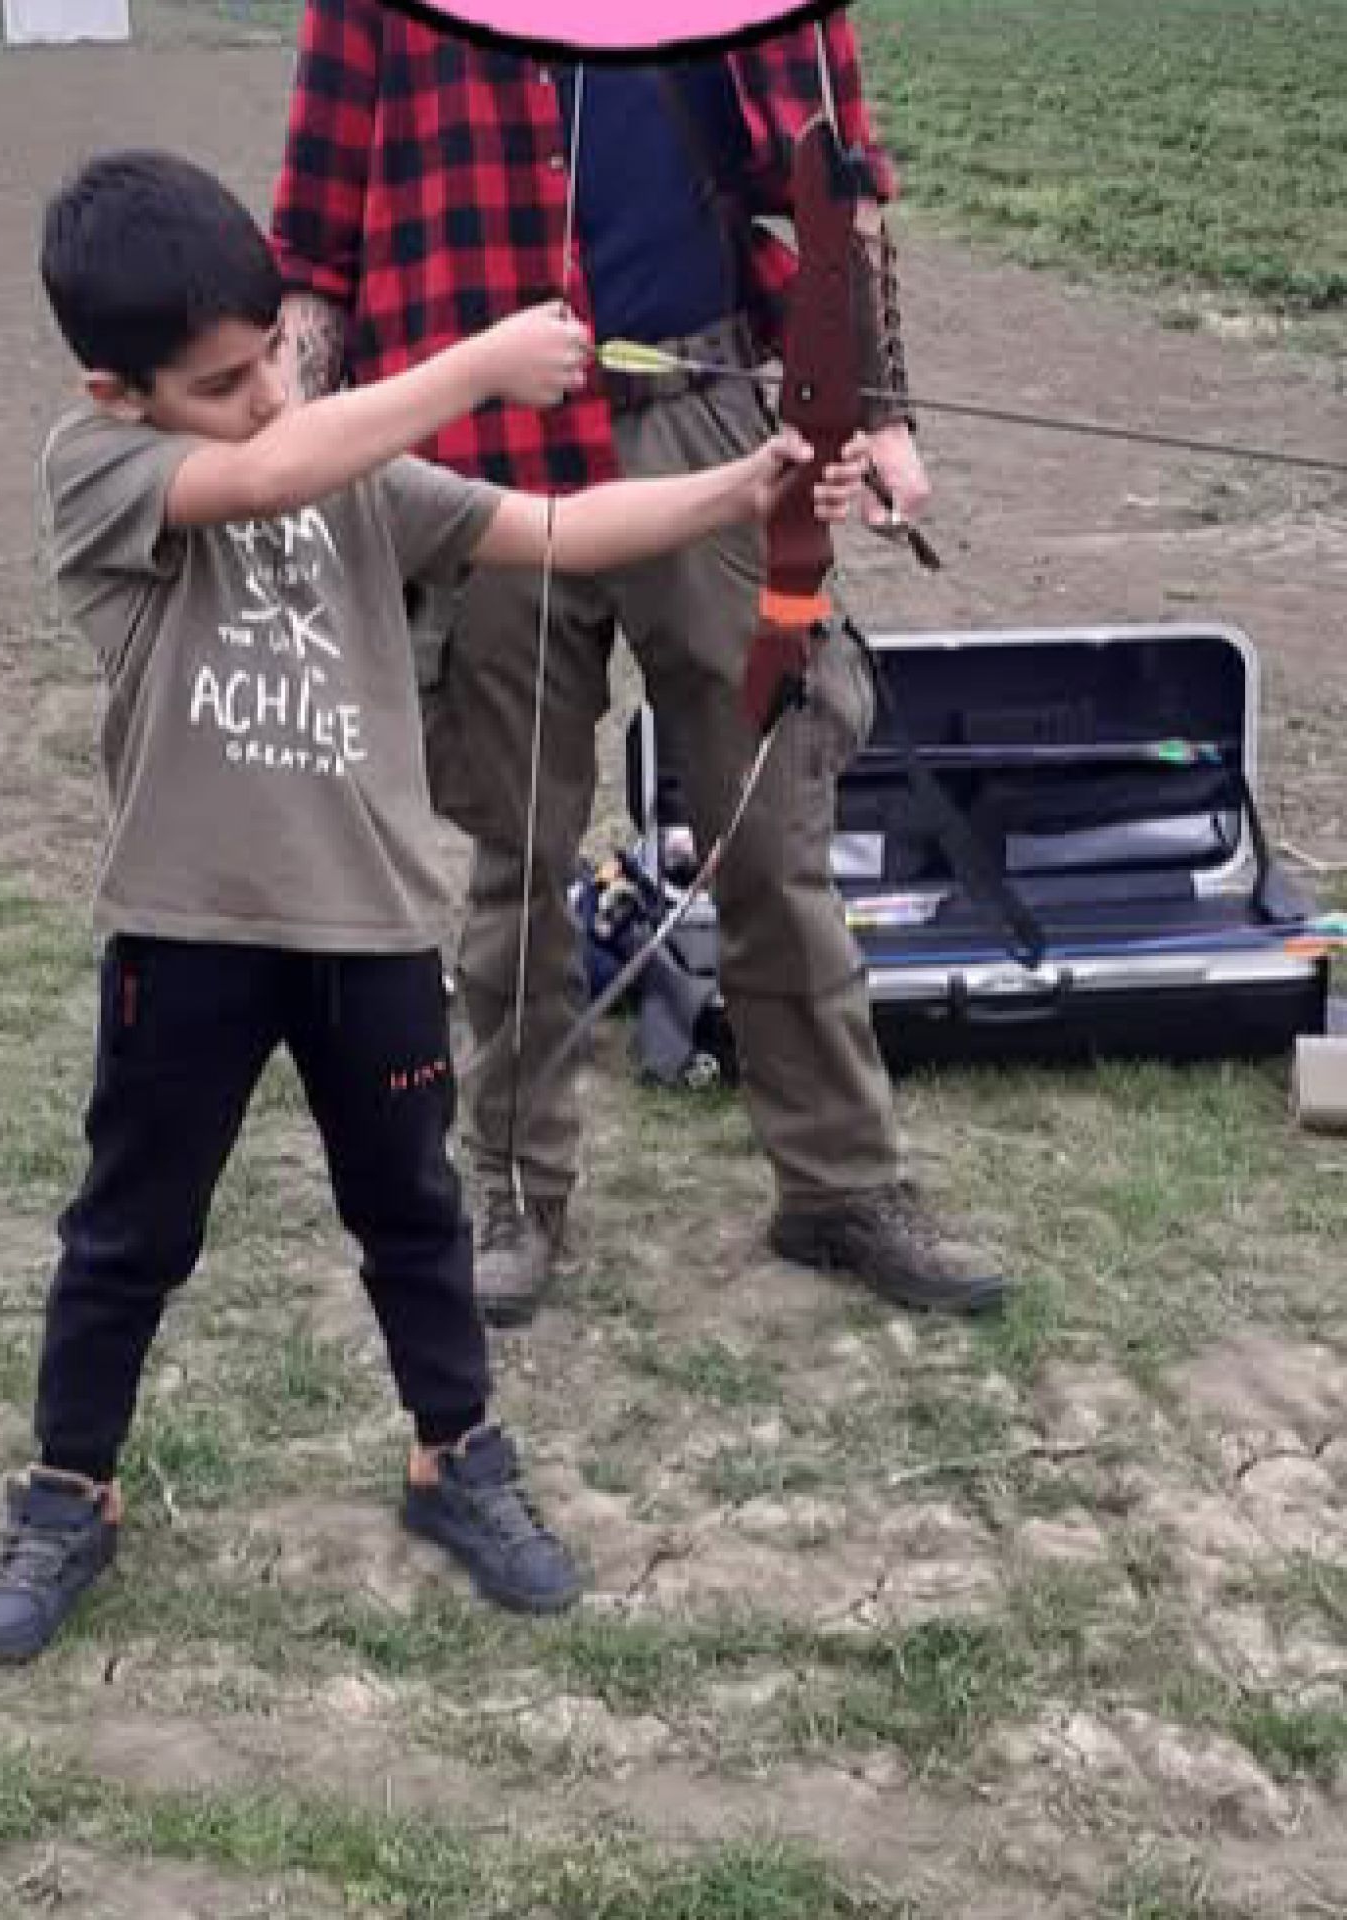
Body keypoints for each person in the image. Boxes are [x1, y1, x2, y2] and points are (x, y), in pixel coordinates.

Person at [0, 148, 872, 1664]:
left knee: (413, 1215)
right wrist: (480, 364)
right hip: (188, 934)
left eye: (275, 357)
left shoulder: (359, 477)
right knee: (130, 1227)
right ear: (117, 393)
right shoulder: (103, 468)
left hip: (373, 929)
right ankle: (69, 1489)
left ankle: (456, 1456)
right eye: (220, 383)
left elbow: (562, 533)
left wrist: (750, 480)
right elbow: (263, 477)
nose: (267, 398)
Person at [271, 0, 1013, 1326]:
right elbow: (317, 242)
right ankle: (513, 1191)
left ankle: (839, 1184)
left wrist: (880, 415)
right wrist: (297, 462)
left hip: (714, 425)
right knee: (518, 852)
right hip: (479, 454)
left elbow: (841, 191)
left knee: (773, 833)